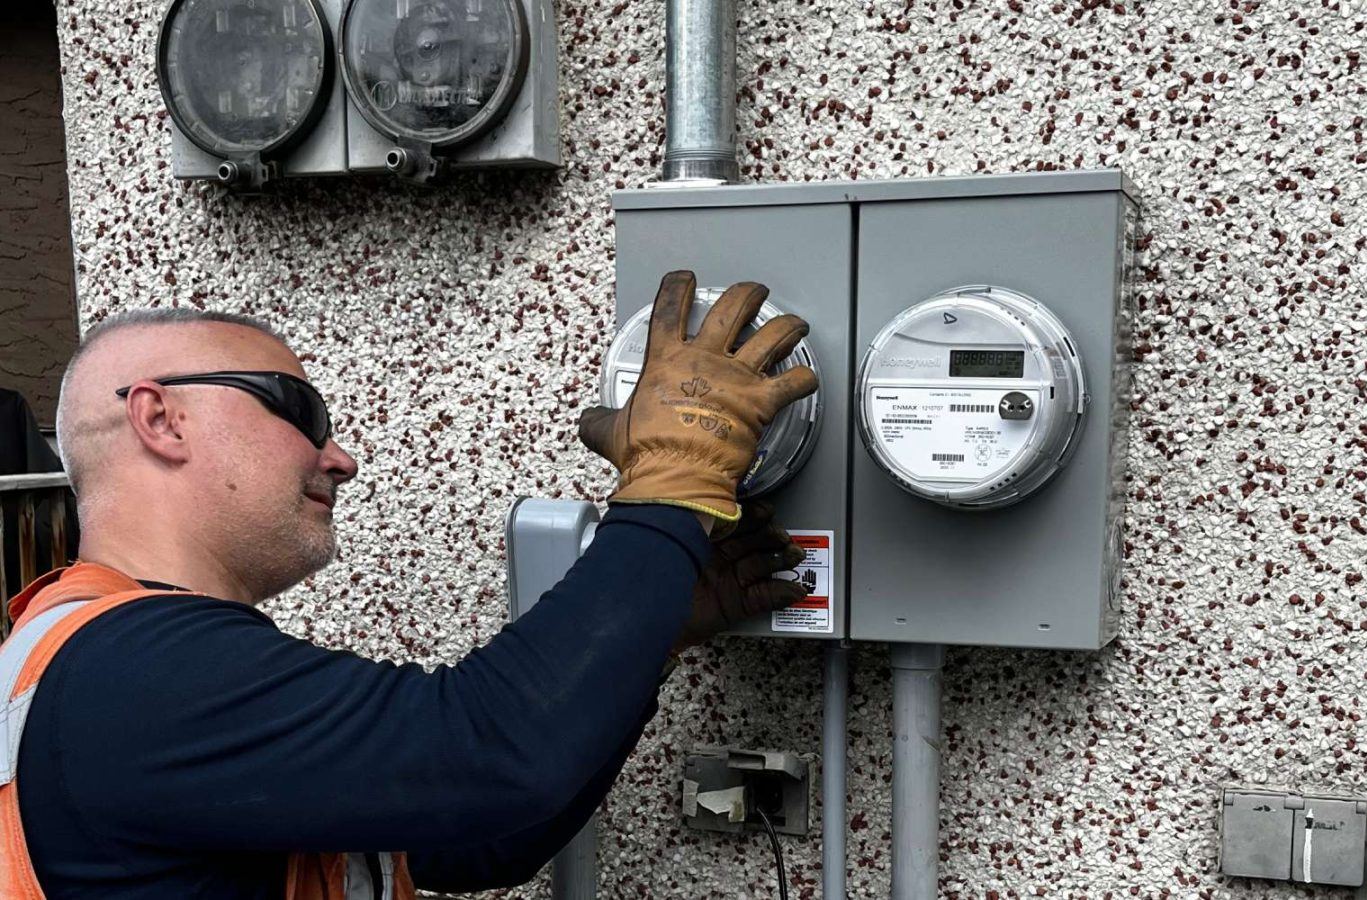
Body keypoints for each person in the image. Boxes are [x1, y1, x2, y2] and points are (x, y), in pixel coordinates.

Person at [0, 270, 818, 898]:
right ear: (161, 418)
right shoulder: (137, 668)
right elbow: (490, 753)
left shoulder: (99, 651)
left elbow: (476, 836)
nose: (340, 456)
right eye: (302, 413)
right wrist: (675, 479)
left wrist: (659, 623)